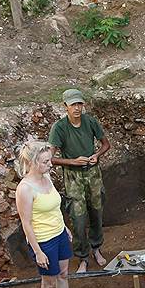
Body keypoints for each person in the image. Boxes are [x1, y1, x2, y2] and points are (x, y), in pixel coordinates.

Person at [14, 140, 88, 288]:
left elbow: (55, 207)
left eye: (49, 160)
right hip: (44, 241)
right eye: (46, 161)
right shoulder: (25, 189)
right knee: (48, 283)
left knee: (63, 274)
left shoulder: (47, 177)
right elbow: (26, 223)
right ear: (33, 162)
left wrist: (64, 228)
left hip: (59, 234)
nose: (50, 165)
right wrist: (38, 251)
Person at [48, 88, 111, 274]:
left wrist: (97, 155)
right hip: (72, 176)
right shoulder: (59, 128)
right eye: (73, 104)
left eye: (79, 104)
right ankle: (82, 257)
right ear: (65, 106)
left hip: (93, 174)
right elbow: (50, 158)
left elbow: (106, 144)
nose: (77, 108)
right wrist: (72, 161)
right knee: (78, 218)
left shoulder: (90, 121)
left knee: (96, 213)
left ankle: (96, 248)